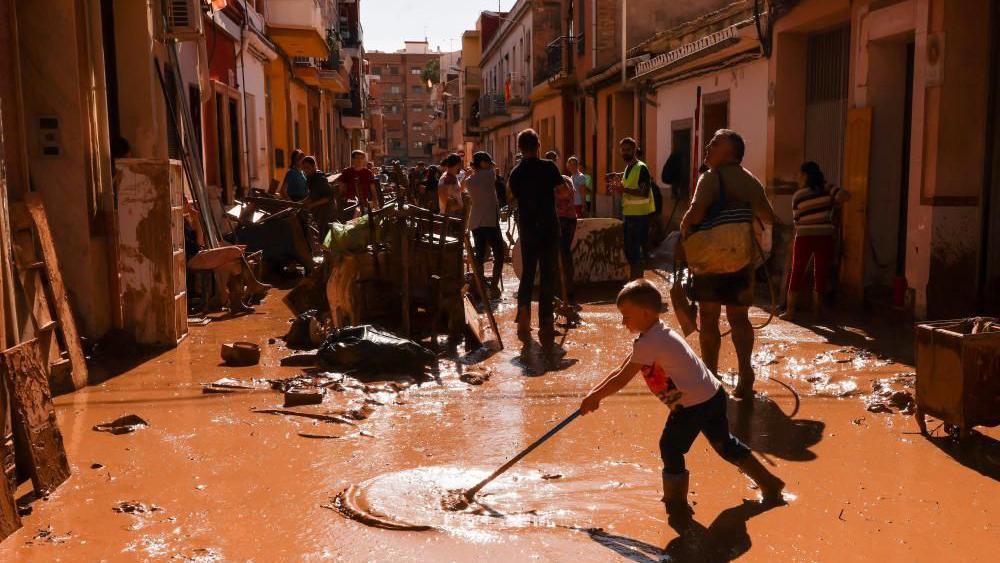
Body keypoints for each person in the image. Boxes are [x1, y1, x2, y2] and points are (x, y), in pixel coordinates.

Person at [579, 280, 785, 522]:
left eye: (626, 315)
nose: (623, 322)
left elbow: (622, 379)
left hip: (692, 405)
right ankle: (769, 483)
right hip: (712, 393)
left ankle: (676, 505)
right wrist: (593, 395)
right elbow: (620, 370)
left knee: (670, 447)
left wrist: (595, 397)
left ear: (645, 313)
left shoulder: (649, 342)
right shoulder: (656, 332)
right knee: (725, 444)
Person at [680, 129, 777, 399]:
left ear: (730, 151)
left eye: (715, 143)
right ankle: (746, 374)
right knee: (739, 318)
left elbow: (696, 213)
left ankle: (710, 376)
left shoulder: (710, 178)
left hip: (710, 261)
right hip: (742, 259)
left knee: (709, 318)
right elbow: (768, 216)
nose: (708, 147)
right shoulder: (750, 181)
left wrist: (684, 228)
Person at [509, 129, 563, 340]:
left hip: (528, 228)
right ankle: (546, 325)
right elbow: (562, 192)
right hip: (549, 227)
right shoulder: (549, 167)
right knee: (548, 276)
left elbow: (511, 195)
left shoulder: (516, 172)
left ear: (520, 149)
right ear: (538, 145)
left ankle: (523, 324)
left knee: (528, 275)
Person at [782, 161, 850, 321]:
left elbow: (796, 220)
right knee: (821, 272)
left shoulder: (798, 196)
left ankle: (790, 312)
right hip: (824, 236)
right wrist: (834, 201)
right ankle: (817, 312)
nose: (798, 176)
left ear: (805, 175)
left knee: (797, 271)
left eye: (800, 174)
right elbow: (846, 196)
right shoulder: (828, 188)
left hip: (804, 236)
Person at [184, 199, 270, 314]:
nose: (187, 205)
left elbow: (200, 242)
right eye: (184, 203)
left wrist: (196, 220)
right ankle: (252, 283)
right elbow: (196, 247)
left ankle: (236, 304)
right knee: (235, 250)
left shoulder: (187, 221)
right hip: (191, 259)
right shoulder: (177, 224)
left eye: (186, 202)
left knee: (234, 265)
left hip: (199, 254)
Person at [611, 138, 655, 280]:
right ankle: (635, 284)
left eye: (628, 150)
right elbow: (627, 190)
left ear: (634, 150)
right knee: (630, 252)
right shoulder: (628, 168)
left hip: (639, 216)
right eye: (623, 150)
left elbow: (643, 191)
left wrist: (623, 189)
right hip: (629, 214)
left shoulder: (641, 168)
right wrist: (619, 188)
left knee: (635, 253)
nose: (625, 153)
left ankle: (637, 285)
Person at [464, 151, 504, 295]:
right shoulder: (489, 175)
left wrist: (472, 170)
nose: (490, 164)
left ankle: (479, 285)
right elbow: (494, 166)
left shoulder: (469, 181)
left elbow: (463, 185)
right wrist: (486, 165)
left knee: (480, 255)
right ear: (482, 163)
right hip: (489, 220)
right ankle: (493, 287)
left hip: (475, 221)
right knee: (499, 253)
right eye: (487, 161)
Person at [552, 154, 578, 303]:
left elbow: (567, 193)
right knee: (564, 253)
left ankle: (564, 290)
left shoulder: (562, 180)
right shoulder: (565, 178)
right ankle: (566, 289)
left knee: (562, 253)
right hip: (567, 219)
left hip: (563, 220)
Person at [300, 156, 334, 241]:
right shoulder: (310, 178)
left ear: (314, 166)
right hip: (318, 210)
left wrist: (311, 205)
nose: (305, 170)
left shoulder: (320, 179)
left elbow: (327, 198)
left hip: (327, 210)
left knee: (325, 236)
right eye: (304, 168)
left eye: (308, 168)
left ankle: (327, 252)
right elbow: (312, 195)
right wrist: (300, 203)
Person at [339, 150, 377, 216]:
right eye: (357, 158)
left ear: (364, 160)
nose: (359, 160)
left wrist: (375, 204)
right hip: (350, 205)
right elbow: (342, 189)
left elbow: (373, 190)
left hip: (365, 204)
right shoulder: (347, 172)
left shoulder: (368, 173)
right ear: (353, 159)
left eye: (361, 158)